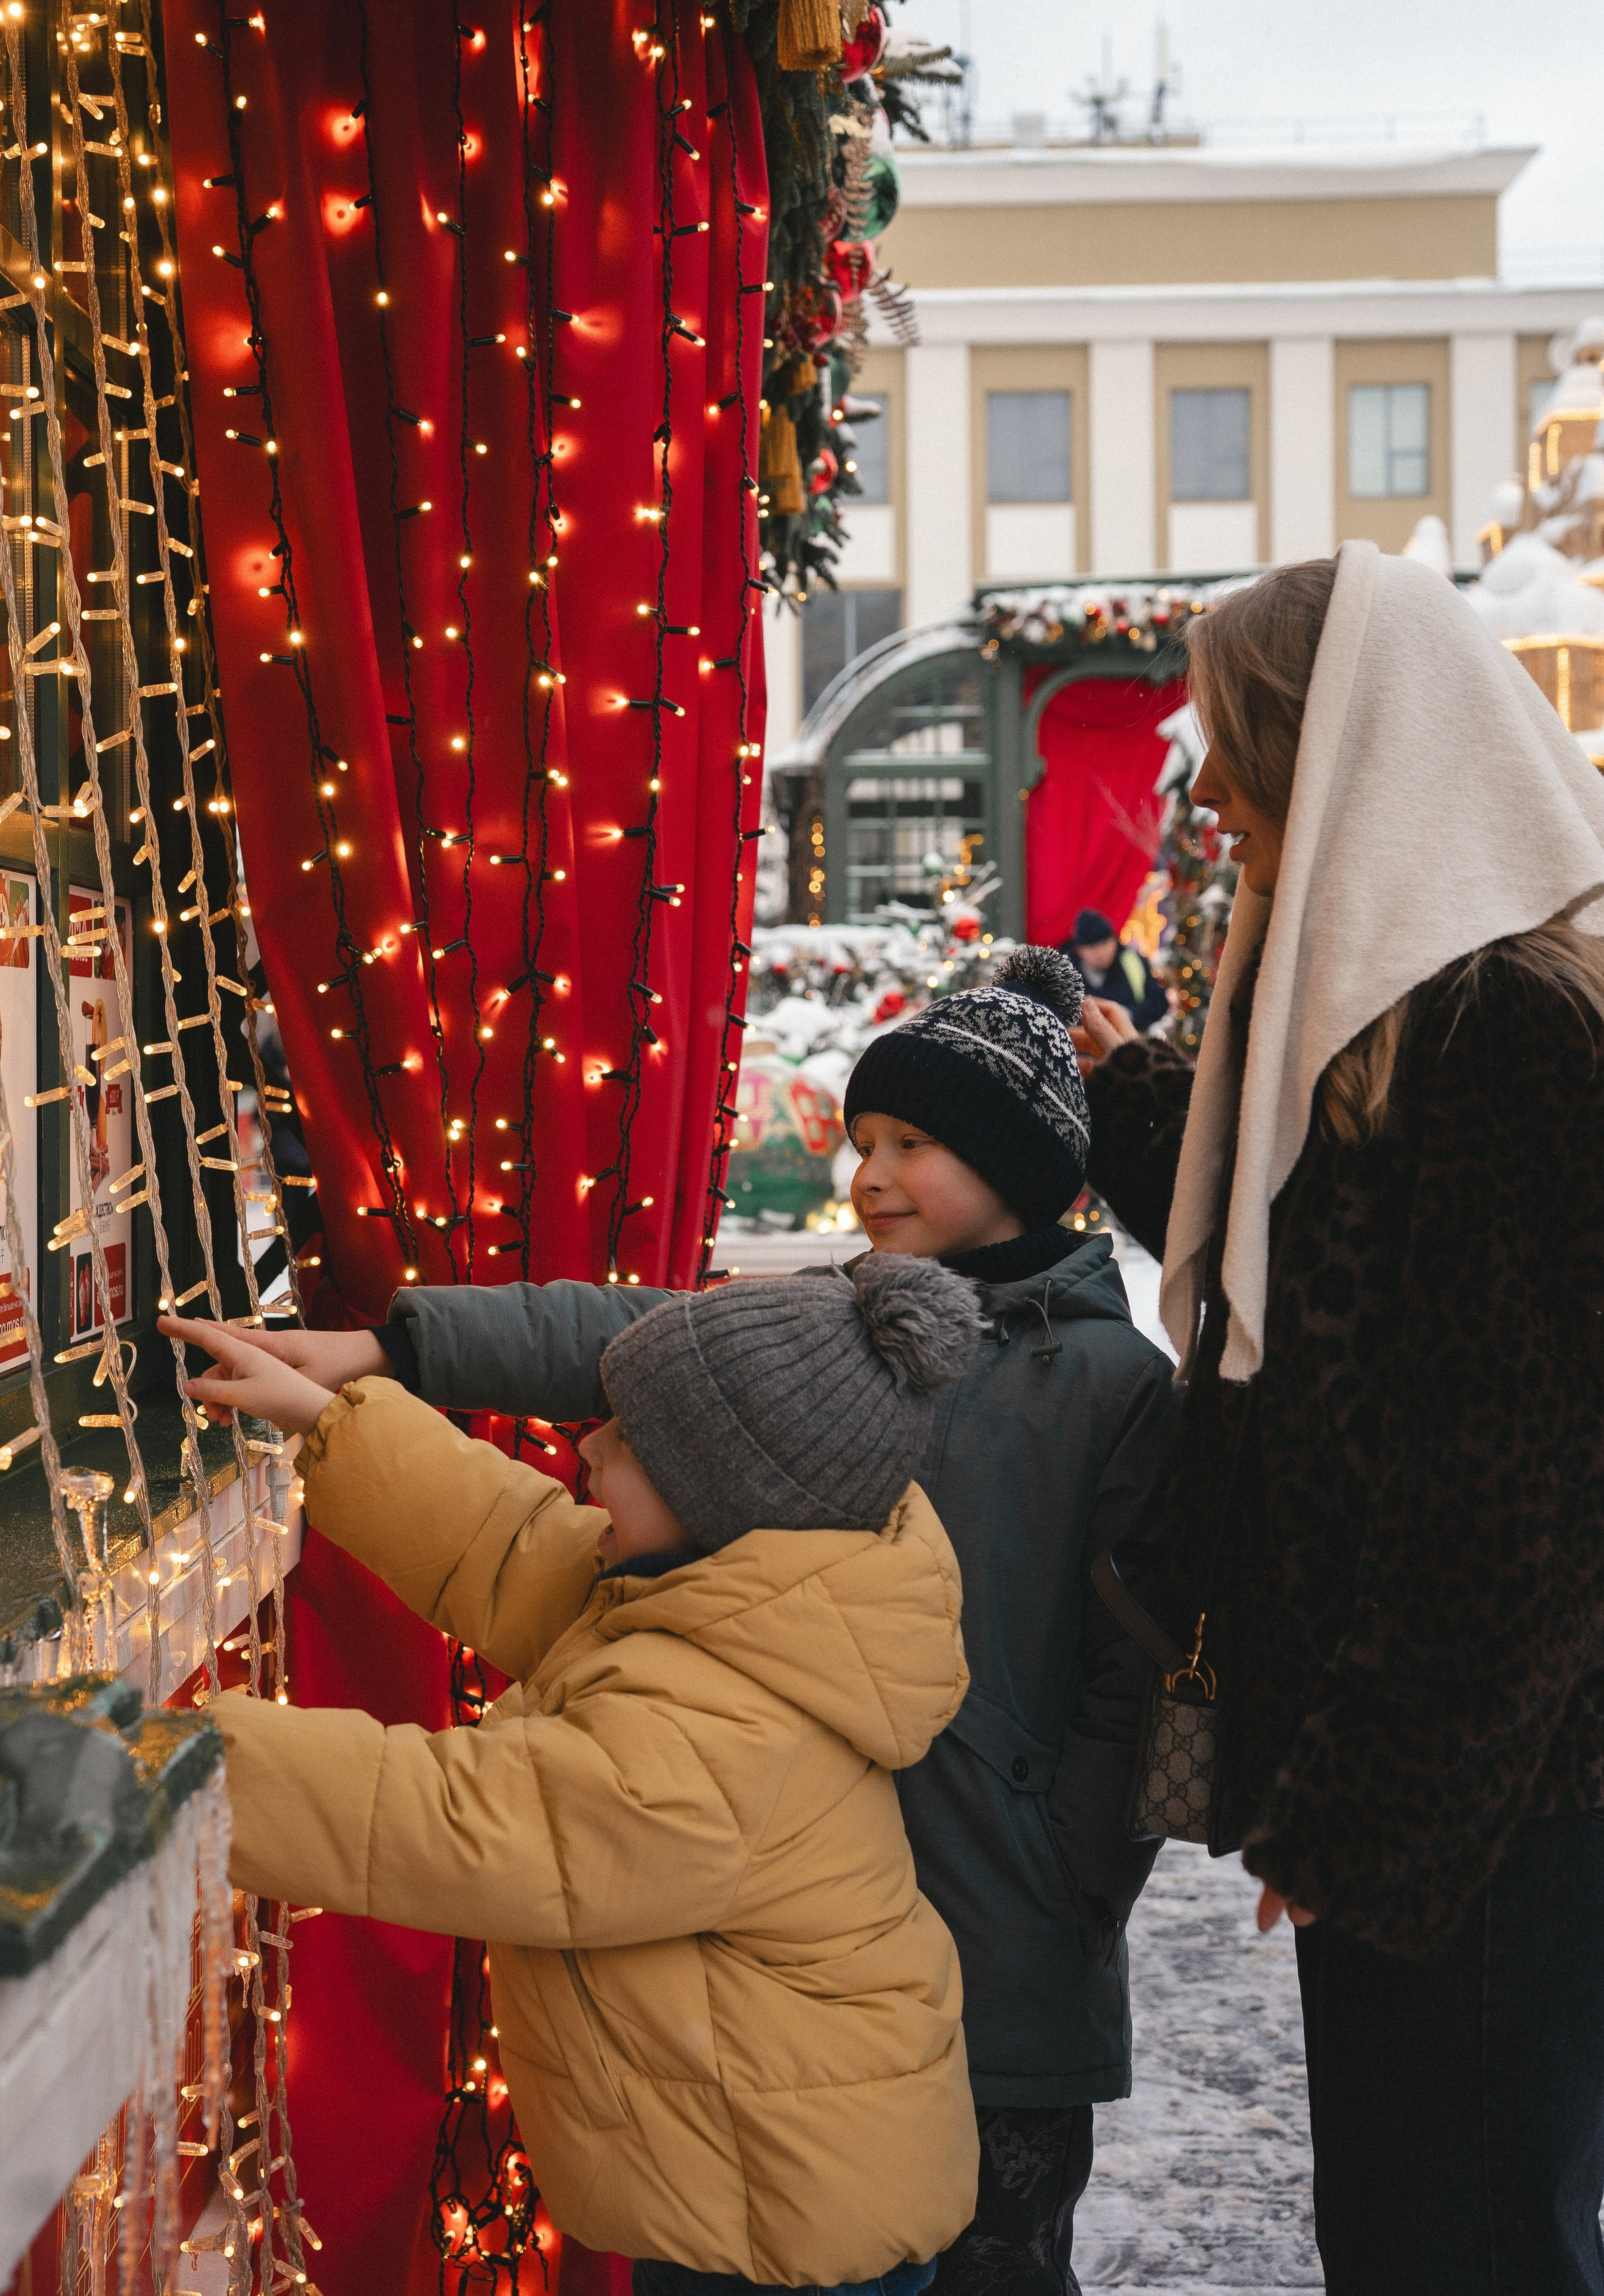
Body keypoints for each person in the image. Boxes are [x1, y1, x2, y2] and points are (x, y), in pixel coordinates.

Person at [204, 946, 1181, 2296]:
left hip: (1002, 1935)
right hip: (799, 1942)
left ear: (1020, 1167)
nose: (868, 1175)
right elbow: (618, 1350)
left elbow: (1153, 1656)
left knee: (995, 2267)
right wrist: (391, 1357)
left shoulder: (1108, 1379)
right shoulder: (830, 1337)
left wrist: (1075, 1870)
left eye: (914, 1144)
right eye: (864, 1139)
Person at [1072, 544, 1604, 2296]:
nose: (1204, 788)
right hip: (1437, 1777)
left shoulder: (1509, 1031)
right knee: (1408, 2212)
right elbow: (1314, 1273)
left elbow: (1509, 1492)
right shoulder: (1388, 1000)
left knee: (1452, 2228)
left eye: (1231, 745)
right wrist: (1125, 1096)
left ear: (1333, 750)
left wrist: (1362, 1813)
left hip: (1489, 1795)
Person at [162, 1256, 986, 2296]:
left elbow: (463, 1822)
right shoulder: (734, 1595)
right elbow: (511, 1546)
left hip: (786, 2229)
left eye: (626, 1439)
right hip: (763, 2172)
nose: (587, 1444)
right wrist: (330, 1421)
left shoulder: (723, 1727)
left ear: (719, 1503)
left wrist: (178, 1767)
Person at [1062, 909, 1167, 1031]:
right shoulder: (1064, 971)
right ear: (1079, 950)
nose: (1101, 953)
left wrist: (1127, 1014)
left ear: (1114, 940)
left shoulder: (1132, 961)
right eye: (1092, 947)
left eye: (1105, 943)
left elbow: (1159, 1002)